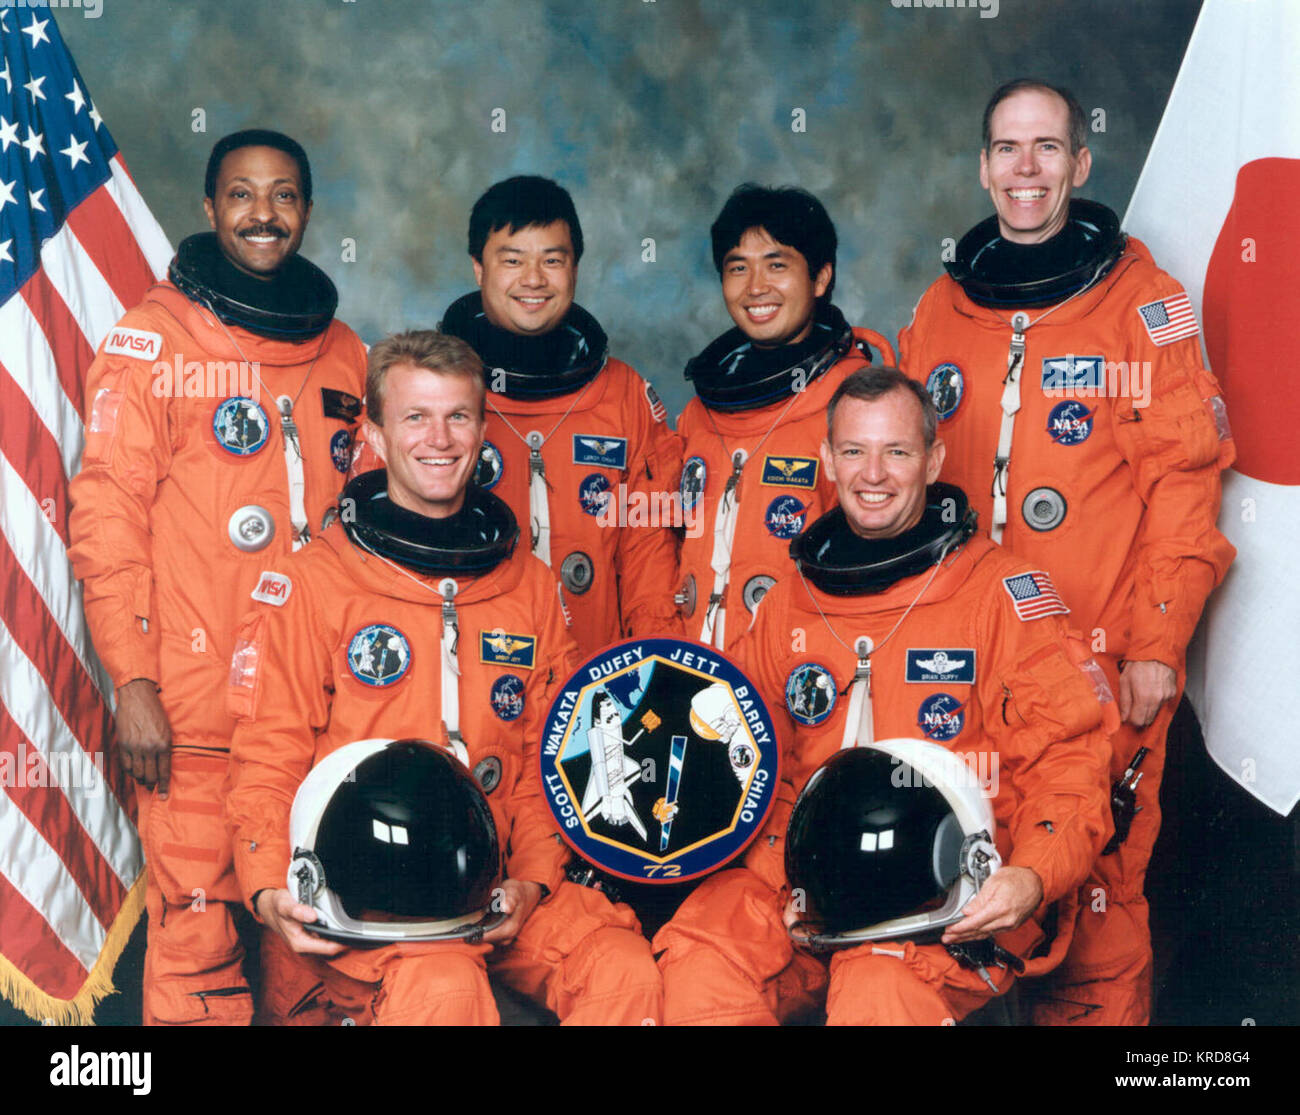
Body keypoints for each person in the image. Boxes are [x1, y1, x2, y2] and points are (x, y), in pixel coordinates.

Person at [898, 78, 1236, 1025]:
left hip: (1101, 660)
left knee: (1097, 900)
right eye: (1008, 149)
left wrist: (1159, 645)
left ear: (1081, 166)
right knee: (953, 890)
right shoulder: (940, 309)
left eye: (1048, 148)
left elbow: (1184, 479)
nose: (1027, 170)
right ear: (983, 167)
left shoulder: (1143, 303)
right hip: (966, 661)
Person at [225, 331, 663, 1025]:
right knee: (446, 987)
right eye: (415, 417)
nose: (440, 438)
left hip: (495, 883)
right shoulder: (315, 583)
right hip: (372, 888)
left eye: (458, 416)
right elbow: (267, 756)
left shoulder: (531, 587)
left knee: (621, 970)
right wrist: (263, 888)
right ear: (373, 432)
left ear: (484, 428)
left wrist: (534, 880)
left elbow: (549, 764)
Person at [653, 368, 1115, 1025]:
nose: (873, 474)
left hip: (946, 890)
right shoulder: (791, 600)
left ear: (934, 459)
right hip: (808, 885)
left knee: (875, 987)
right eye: (853, 451)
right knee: (699, 959)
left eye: (896, 451)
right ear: (826, 461)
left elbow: (1069, 762)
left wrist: (1032, 873)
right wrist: (781, 869)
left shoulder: (1000, 593)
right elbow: (743, 762)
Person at [67, 129, 368, 1026]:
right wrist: (135, 680)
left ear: (307, 213)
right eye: (241, 194)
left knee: (313, 952)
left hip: (314, 715)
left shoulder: (345, 351)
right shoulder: (150, 340)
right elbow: (106, 519)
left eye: (283, 196)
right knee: (199, 960)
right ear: (208, 209)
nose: (263, 214)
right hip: (194, 716)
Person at [436, 175, 682, 653]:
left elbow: (649, 554)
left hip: (597, 677)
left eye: (552, 260)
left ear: (575, 269)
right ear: (478, 269)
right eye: (512, 260)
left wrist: (659, 663)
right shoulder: (431, 389)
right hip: (470, 672)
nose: (534, 279)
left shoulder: (623, 396)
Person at [674, 184, 896, 651]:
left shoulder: (858, 406)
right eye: (738, 268)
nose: (756, 287)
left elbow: (883, 562)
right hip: (696, 669)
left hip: (804, 670)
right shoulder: (699, 414)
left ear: (819, 278)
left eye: (777, 265)